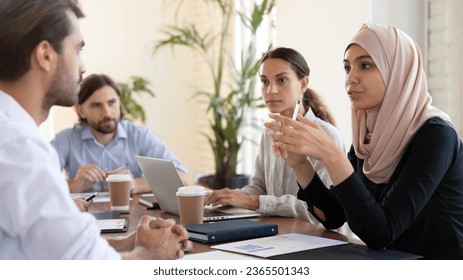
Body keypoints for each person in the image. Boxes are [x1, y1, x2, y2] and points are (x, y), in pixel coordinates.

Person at [0, 0, 191, 259]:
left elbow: (51, 250)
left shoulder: (12, 134)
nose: (82, 66)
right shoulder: (19, 147)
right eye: (77, 49)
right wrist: (149, 253)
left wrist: (129, 242)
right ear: (45, 55)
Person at [265, 24, 463, 259]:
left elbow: (382, 231)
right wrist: (300, 164)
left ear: (397, 71)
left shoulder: (436, 136)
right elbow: (335, 215)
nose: (351, 78)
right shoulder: (368, 136)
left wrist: (332, 155)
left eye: (365, 65)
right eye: (347, 68)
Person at [205, 47, 350, 230]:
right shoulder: (269, 133)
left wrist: (252, 201)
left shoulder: (327, 137)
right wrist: (225, 197)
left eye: (281, 80)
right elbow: (258, 188)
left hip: (322, 241)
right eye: (265, 81)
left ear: (303, 84)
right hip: (281, 236)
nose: (270, 90)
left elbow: (319, 210)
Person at [51, 73, 190, 193]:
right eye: (96, 105)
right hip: (85, 218)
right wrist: (74, 186)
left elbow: (182, 178)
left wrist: (135, 185)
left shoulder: (140, 136)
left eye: (111, 103)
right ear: (80, 110)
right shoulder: (65, 140)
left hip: (134, 217)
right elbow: (36, 181)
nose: (107, 112)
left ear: (119, 102)